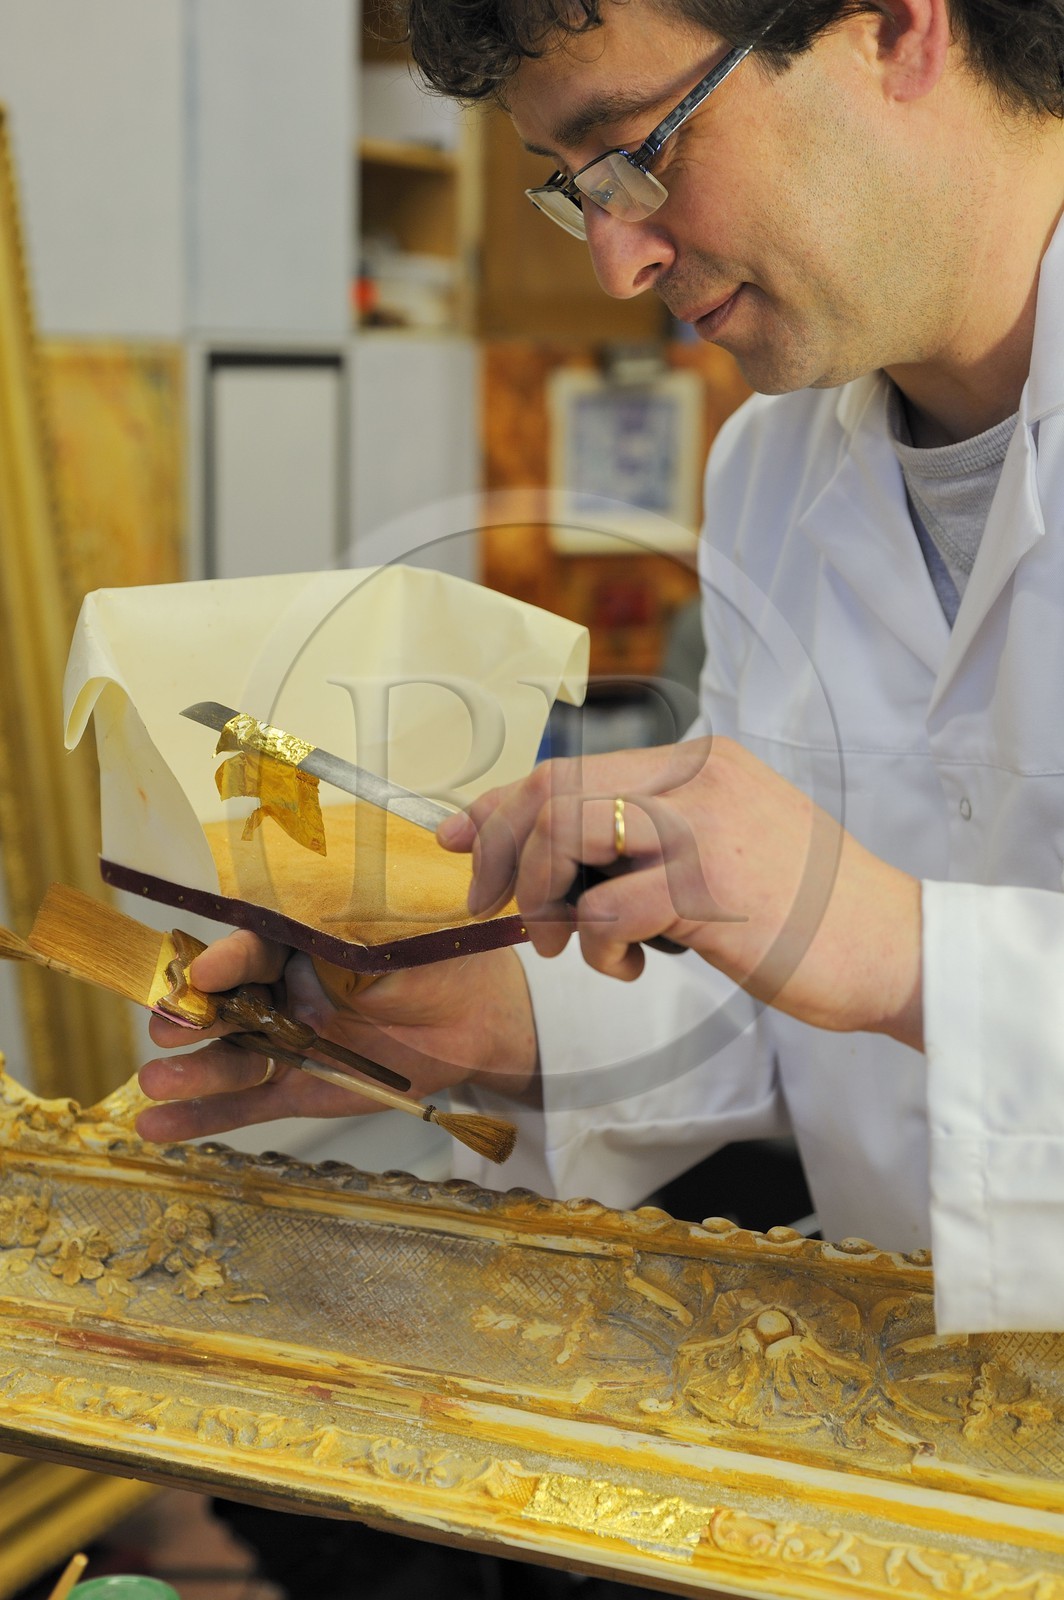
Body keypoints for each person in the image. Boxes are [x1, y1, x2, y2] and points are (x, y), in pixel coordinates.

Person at [138, 0, 1064, 1334]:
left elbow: (876, 969)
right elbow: (808, 1021)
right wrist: (492, 1019)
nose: (618, 264)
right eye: (580, 194)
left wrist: (913, 954)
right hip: (910, 1445)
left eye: (636, 150)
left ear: (900, 30)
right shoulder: (771, 470)